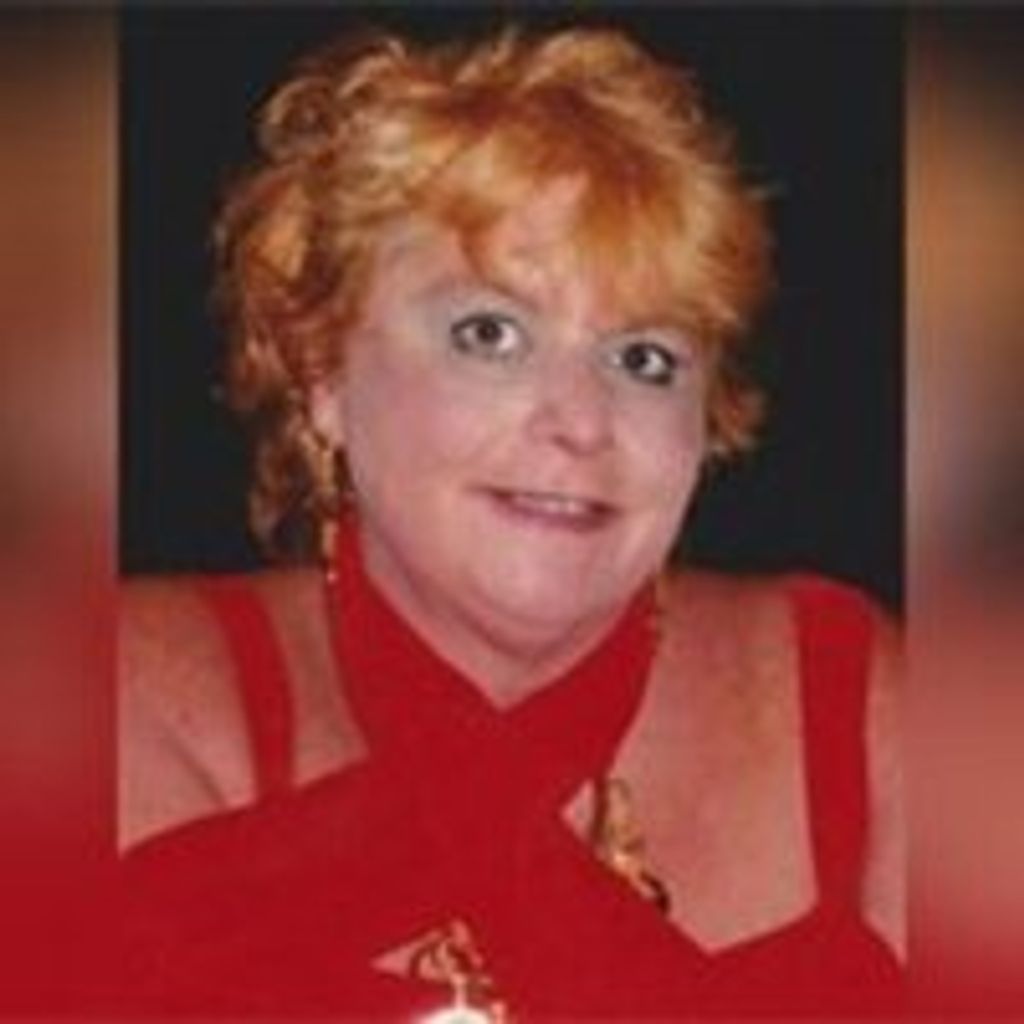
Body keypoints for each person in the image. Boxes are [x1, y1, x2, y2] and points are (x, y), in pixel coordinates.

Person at [119, 24, 904, 1019]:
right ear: (322, 375)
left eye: (644, 358)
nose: (581, 422)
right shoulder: (125, 697)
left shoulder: (858, 704)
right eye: (488, 334)